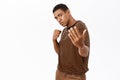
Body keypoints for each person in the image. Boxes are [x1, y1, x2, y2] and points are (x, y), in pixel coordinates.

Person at [52, 3, 90, 80]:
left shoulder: (80, 26)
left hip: (74, 76)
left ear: (68, 12)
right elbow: (60, 53)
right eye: (56, 18)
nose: (59, 20)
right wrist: (54, 40)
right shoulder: (64, 31)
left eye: (60, 15)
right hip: (60, 73)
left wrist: (81, 46)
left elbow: (85, 53)